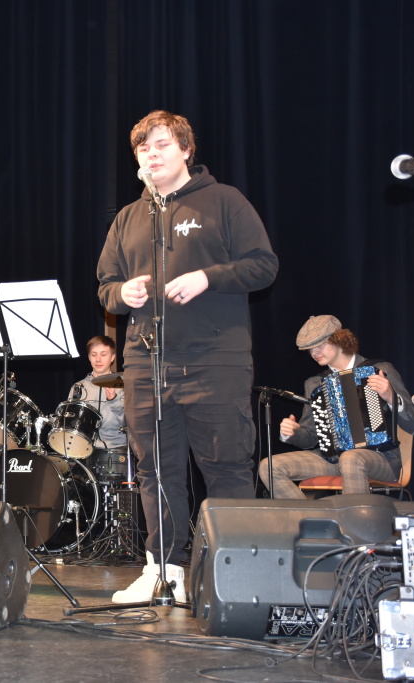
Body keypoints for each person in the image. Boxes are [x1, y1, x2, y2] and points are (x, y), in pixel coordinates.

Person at [96, 110, 278, 603]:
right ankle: (164, 570)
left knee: (226, 467)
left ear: (185, 150)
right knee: (156, 471)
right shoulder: (128, 218)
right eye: (143, 148)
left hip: (214, 361)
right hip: (145, 363)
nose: (151, 155)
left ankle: (238, 572)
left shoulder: (224, 201)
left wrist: (208, 277)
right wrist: (121, 294)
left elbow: (263, 266)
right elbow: (106, 285)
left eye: (161, 145)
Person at [259, 315, 414, 497]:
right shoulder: (315, 383)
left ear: (339, 339)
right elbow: (310, 437)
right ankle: (309, 514)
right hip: (333, 460)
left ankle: (354, 517)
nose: (314, 352)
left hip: (381, 458)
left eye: (319, 344)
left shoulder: (380, 369)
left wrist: (391, 397)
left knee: (351, 458)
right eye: (309, 348)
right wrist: (292, 433)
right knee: (269, 466)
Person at [66, 335, 127, 474]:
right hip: (85, 452)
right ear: (89, 357)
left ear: (112, 357)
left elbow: (129, 423)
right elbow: (70, 424)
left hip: (117, 449)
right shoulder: (79, 387)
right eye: (94, 355)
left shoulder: (123, 385)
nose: (98, 359)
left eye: (103, 354)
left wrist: (114, 400)